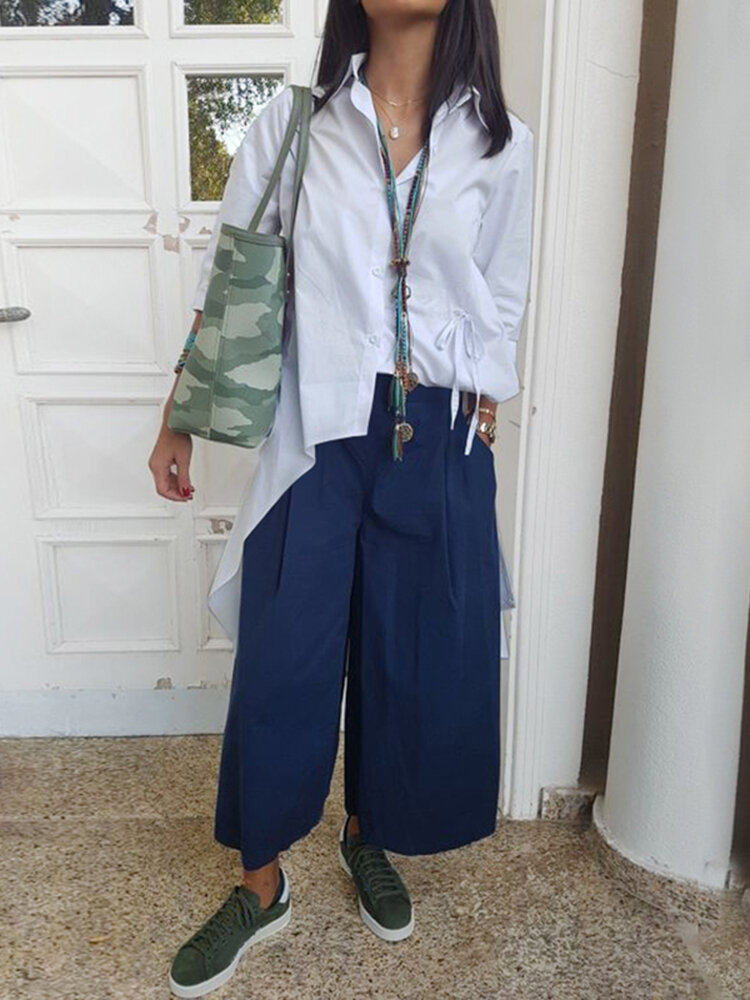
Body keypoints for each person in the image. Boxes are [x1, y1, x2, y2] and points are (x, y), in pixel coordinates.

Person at [149, 1, 534, 995]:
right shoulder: (295, 128)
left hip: (434, 429)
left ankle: (370, 832)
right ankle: (261, 884)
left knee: (410, 655)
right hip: (315, 426)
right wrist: (180, 413)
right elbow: (233, 281)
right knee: (285, 657)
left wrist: (477, 416)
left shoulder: (500, 144)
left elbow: (500, 301)